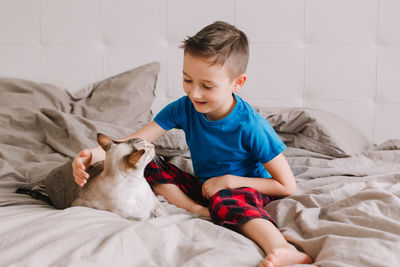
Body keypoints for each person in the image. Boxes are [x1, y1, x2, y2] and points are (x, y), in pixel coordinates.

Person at [72, 21, 312, 267]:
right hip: (205, 186)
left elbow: (286, 185)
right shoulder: (184, 107)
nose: (194, 93)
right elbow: (138, 140)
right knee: (150, 163)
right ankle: (195, 209)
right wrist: (92, 155)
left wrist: (231, 181)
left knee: (223, 199)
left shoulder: (251, 126)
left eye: (207, 86)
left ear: (237, 83)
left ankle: (282, 247)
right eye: (187, 80)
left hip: (246, 190)